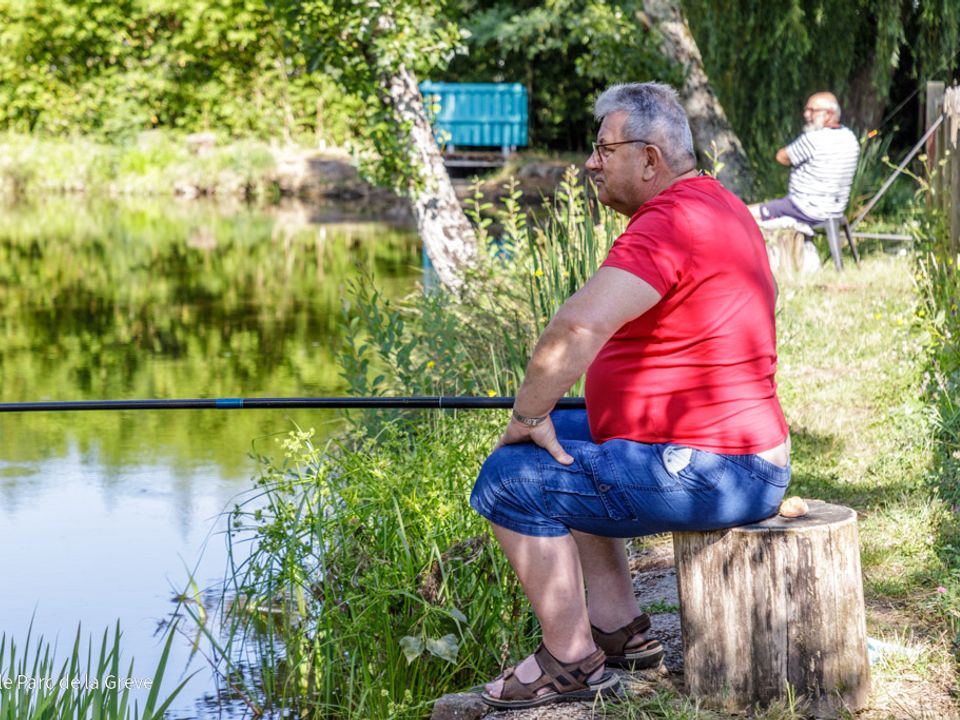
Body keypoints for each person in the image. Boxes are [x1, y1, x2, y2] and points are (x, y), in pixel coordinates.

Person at [469, 82, 791, 709]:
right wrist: (551, 415)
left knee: (510, 475)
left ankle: (570, 660)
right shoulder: (714, 205)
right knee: (569, 431)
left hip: (718, 469)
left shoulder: (669, 221)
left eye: (603, 149)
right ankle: (621, 629)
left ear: (650, 159)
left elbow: (574, 328)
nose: (591, 163)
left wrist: (527, 413)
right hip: (740, 454)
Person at [753, 91, 860, 225]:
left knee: (744, 214)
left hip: (803, 209)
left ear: (828, 114)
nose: (806, 114)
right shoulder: (850, 137)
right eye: (806, 110)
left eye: (812, 111)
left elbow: (782, 157)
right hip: (834, 212)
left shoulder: (814, 139)